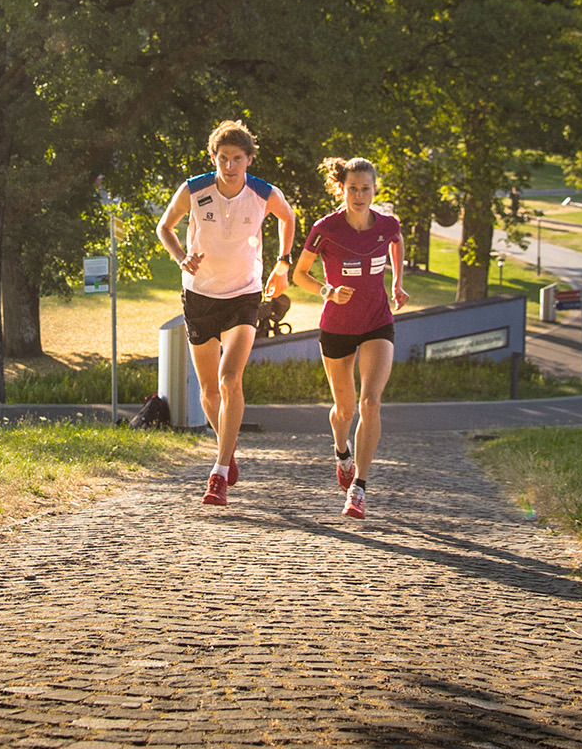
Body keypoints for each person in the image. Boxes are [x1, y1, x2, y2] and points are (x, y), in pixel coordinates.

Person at [157, 120, 296, 506]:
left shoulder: (263, 192)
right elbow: (164, 227)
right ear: (213, 158)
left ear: (249, 159)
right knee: (207, 391)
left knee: (229, 377)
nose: (230, 166)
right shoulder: (193, 188)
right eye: (223, 159)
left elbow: (289, 217)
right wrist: (182, 257)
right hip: (200, 295)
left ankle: (218, 472)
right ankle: (227, 446)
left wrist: (283, 264)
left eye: (237, 159)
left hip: (244, 295)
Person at [291, 156, 406, 519]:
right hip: (337, 326)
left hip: (377, 322)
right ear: (341, 189)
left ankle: (359, 487)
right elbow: (300, 274)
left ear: (375, 190)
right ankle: (341, 451)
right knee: (345, 409)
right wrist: (327, 291)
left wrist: (398, 283)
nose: (359, 195)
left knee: (370, 402)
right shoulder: (326, 228)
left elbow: (397, 242)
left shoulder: (387, 224)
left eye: (366, 188)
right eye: (352, 188)